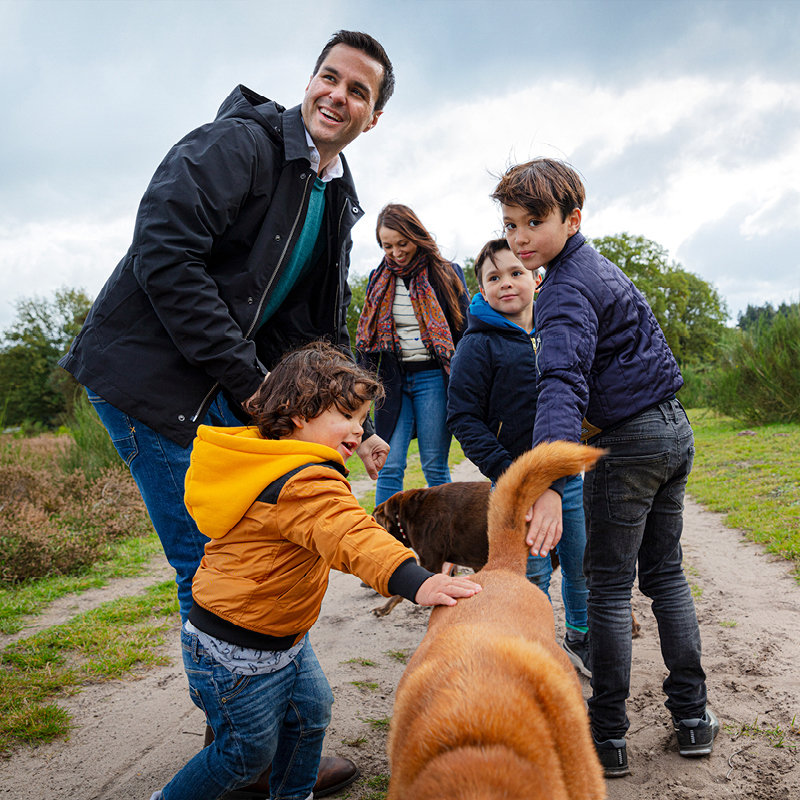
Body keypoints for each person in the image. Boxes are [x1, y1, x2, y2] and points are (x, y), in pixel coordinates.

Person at [58, 29, 394, 795]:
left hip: (217, 383)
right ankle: (242, 749)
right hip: (148, 381)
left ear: (372, 119)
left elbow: (317, 330)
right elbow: (163, 253)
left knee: (253, 542)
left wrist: (356, 422)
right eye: (329, 78)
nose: (337, 96)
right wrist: (251, 386)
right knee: (208, 561)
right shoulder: (238, 145)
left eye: (358, 92)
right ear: (309, 83)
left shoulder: (334, 195)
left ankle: (263, 739)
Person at [148, 341, 481, 800]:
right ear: (299, 412)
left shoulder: (265, 458)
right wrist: (418, 580)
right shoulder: (302, 480)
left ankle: (294, 793)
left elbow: (342, 527)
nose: (358, 430)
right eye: (347, 417)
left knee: (311, 714)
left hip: (279, 638)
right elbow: (350, 534)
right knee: (243, 755)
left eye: (362, 420)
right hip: (237, 653)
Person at [491, 158, 718, 778]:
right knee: (666, 576)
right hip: (673, 430)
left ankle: (609, 735)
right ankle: (693, 717)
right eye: (510, 225)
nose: (520, 238)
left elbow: (560, 385)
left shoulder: (563, 291)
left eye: (534, 222)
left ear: (572, 218)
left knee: (613, 589)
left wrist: (542, 482)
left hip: (628, 444)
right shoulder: (596, 267)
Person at [446, 238, 591, 677]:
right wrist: (511, 475)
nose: (506, 283)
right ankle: (538, 645)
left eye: (515, 273)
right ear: (482, 290)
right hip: (513, 486)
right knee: (531, 575)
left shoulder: (557, 329)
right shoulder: (476, 345)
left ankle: (581, 636)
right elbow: (463, 416)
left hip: (565, 481)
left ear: (535, 277)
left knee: (582, 563)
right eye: (493, 278)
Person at [355, 203, 470, 507]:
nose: (395, 252)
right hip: (392, 381)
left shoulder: (446, 273)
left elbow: (465, 332)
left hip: (433, 378)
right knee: (389, 465)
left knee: (434, 465)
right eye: (387, 245)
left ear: (415, 236)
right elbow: (366, 341)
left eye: (401, 243)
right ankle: (384, 544)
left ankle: (447, 545)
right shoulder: (378, 279)